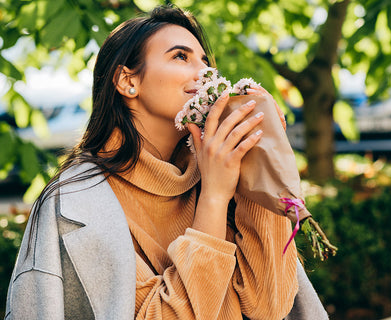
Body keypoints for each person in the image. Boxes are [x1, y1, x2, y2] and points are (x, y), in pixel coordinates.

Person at [4, 5, 328, 320]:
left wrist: (257, 162)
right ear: (127, 81)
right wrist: (215, 199)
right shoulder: (77, 203)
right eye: (180, 56)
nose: (205, 73)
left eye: (205, 61)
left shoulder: (214, 170)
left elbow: (269, 307)